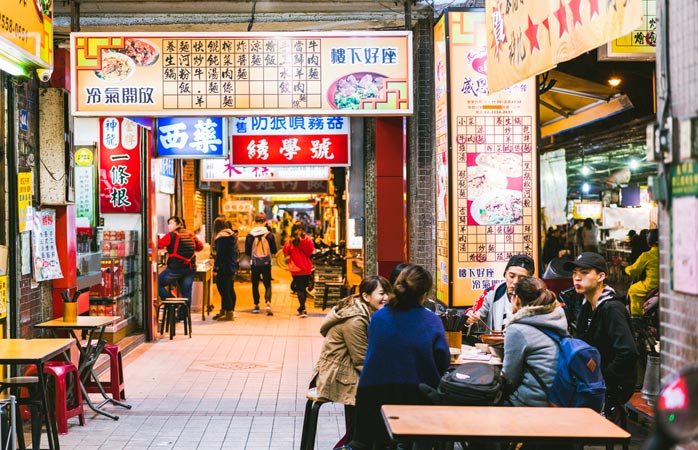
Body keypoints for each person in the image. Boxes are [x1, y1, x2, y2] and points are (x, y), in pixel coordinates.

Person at [348, 264, 450, 450]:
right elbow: (443, 362)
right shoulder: (431, 320)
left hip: (373, 397)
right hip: (417, 397)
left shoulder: (379, 317)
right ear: (424, 294)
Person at [312, 275, 392, 450]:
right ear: (365, 296)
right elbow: (361, 360)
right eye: (381, 293)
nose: (386, 298)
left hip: (348, 370)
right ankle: (352, 444)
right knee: (379, 397)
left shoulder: (369, 313)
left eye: (388, 293)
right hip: (338, 375)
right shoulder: (355, 320)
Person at [563, 252, 638, 420]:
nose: (577, 278)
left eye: (584, 273)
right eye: (575, 273)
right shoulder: (587, 306)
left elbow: (628, 353)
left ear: (601, 276)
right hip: (592, 378)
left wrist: (601, 377)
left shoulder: (611, 309)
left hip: (613, 385)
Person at [502, 277, 568, 407]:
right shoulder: (557, 318)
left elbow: (508, 380)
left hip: (532, 402)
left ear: (517, 299)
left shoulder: (517, 330)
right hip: (559, 397)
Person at [465, 254, 535, 332]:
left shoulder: (537, 297)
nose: (515, 282)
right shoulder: (492, 292)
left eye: (522, 278)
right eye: (511, 276)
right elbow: (474, 312)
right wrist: (470, 317)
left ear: (530, 279)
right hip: (494, 343)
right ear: (505, 273)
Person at [157, 216, 204, 320]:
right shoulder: (190, 234)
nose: (169, 225)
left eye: (172, 223)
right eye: (169, 223)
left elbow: (159, 244)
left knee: (157, 284)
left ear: (178, 224)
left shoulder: (171, 235)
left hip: (175, 269)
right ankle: (183, 316)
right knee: (186, 292)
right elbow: (200, 247)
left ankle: (173, 303)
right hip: (190, 268)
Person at [245, 212, 277, 315]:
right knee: (267, 283)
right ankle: (268, 303)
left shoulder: (250, 235)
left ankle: (256, 305)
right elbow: (274, 250)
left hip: (255, 263)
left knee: (255, 283)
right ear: (265, 222)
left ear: (255, 221)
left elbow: (246, 251)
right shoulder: (269, 235)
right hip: (266, 262)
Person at [283, 222, 315, 317]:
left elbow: (286, 251)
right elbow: (310, 251)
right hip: (306, 268)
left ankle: (302, 308)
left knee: (300, 289)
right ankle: (302, 308)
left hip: (295, 269)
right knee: (303, 288)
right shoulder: (308, 240)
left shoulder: (290, 241)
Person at [625, 229, 659, 316]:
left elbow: (634, 270)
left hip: (651, 286)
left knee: (633, 290)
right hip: (663, 286)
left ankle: (637, 318)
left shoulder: (647, 255)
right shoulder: (669, 253)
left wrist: (627, 269)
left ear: (649, 241)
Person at [211, 217, 239, 321]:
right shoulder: (231, 234)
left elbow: (220, 255)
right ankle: (226, 310)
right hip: (231, 266)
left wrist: (216, 268)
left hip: (224, 267)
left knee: (223, 289)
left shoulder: (222, 237)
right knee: (229, 289)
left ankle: (229, 313)